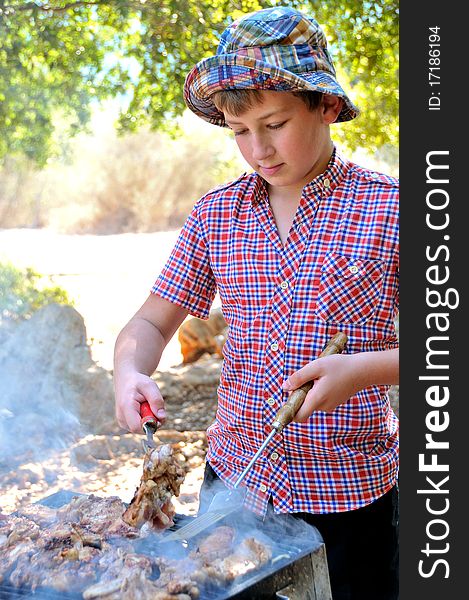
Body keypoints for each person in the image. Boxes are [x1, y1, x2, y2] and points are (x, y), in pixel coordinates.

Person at [114, 6, 399, 599]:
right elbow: (149, 320)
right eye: (240, 131)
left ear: (324, 105)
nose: (258, 150)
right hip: (236, 484)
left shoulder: (391, 208)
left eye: (274, 124)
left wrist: (366, 368)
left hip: (350, 495)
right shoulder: (217, 213)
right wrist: (129, 369)